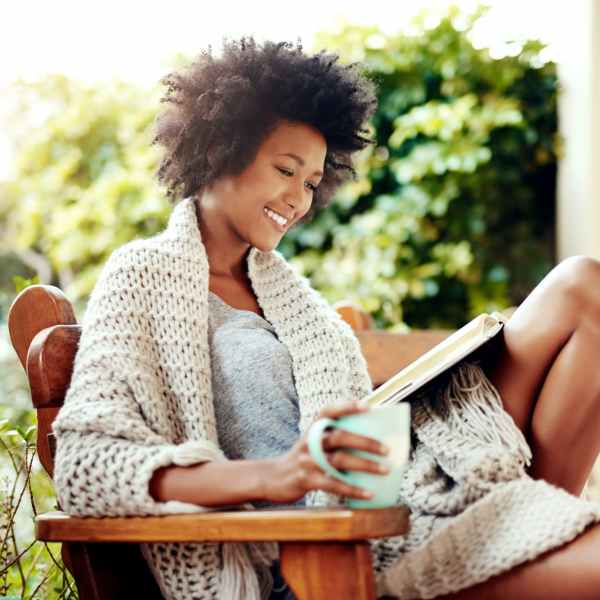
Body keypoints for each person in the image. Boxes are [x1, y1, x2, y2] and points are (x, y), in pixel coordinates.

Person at [51, 37, 600, 600]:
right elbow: (85, 460)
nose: (298, 199)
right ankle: (533, 540)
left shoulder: (298, 305)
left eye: (312, 182)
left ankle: (536, 528)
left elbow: (358, 447)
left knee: (583, 288)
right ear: (222, 149)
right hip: (314, 559)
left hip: (402, 503)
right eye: (285, 170)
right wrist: (273, 476)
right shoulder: (144, 275)